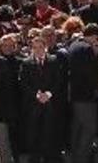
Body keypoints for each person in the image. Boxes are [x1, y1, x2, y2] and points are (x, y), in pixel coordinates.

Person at [19, 34, 65, 163]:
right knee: (34, 132)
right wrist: (36, 95)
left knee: (50, 131)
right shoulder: (26, 63)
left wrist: (48, 94)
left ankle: (51, 157)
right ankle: (35, 157)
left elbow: (59, 81)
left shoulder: (54, 60)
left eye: (40, 47)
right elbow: (23, 83)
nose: (38, 50)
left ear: (45, 47)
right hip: (33, 104)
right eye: (35, 47)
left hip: (51, 103)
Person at [67, 24, 98, 163]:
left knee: (77, 130)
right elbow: (91, 74)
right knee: (89, 130)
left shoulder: (73, 45)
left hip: (75, 96)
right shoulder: (87, 48)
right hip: (86, 96)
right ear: (94, 36)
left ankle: (75, 158)